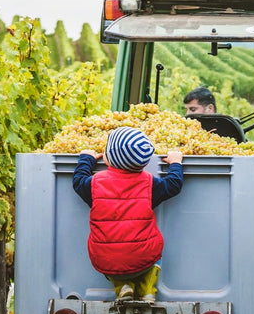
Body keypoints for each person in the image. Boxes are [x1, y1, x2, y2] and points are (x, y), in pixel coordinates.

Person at [72, 127, 184, 302]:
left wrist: (86, 159)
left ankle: (122, 287)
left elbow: (78, 181)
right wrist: (176, 163)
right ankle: (147, 288)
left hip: (106, 263)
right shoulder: (149, 185)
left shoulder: (94, 184)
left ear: (110, 158)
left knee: (112, 256)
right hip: (143, 260)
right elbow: (173, 185)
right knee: (153, 249)